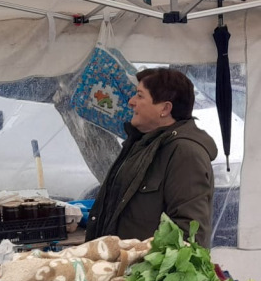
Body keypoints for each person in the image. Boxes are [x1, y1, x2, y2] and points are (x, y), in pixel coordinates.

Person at [85, 68, 218, 245]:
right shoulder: (141, 144)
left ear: (165, 108)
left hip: (146, 270)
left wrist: (145, 266)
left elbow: (190, 234)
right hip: (122, 267)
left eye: (140, 96)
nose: (131, 102)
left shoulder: (185, 153)